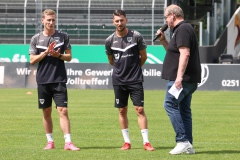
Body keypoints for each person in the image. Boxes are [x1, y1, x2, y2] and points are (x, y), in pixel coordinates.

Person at [29, 9, 80, 151]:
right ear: (42, 21)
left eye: (53, 20)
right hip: (43, 80)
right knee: (46, 111)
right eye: (48, 20)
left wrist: (58, 55)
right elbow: (32, 60)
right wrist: (45, 52)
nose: (51, 22)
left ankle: (68, 142)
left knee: (63, 110)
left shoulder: (63, 36)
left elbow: (69, 57)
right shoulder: (36, 39)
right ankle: (50, 141)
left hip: (59, 79)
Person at [105, 9, 154, 151]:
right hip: (119, 80)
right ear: (113, 22)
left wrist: (135, 69)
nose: (119, 23)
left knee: (139, 109)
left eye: (121, 20)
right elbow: (111, 60)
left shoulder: (136, 36)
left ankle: (146, 142)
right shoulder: (109, 41)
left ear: (126, 20)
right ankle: (126, 142)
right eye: (117, 21)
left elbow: (143, 56)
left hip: (135, 79)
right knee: (122, 110)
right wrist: (121, 70)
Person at [156, 4, 201, 155]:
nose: (166, 21)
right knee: (184, 110)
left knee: (169, 104)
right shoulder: (181, 30)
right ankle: (189, 145)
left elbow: (185, 53)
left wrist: (179, 77)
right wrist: (163, 40)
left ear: (172, 16)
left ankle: (182, 141)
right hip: (188, 79)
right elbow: (175, 52)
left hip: (183, 79)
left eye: (166, 17)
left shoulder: (182, 29)